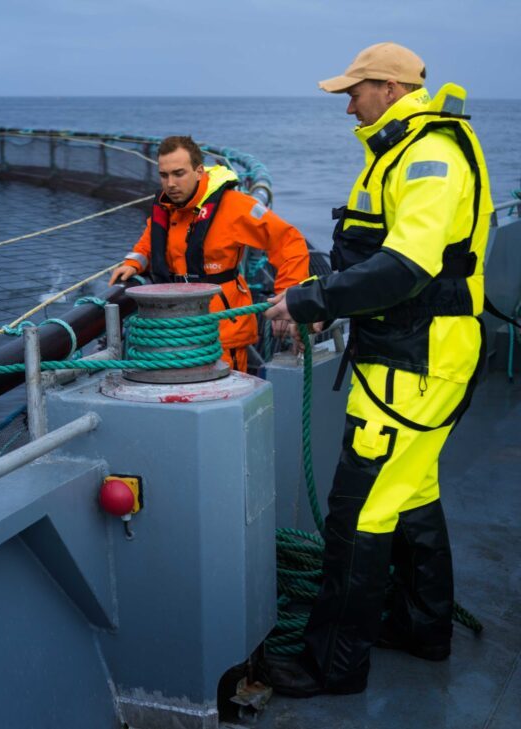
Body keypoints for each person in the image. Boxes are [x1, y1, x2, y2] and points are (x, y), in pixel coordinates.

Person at [264, 42, 494, 697]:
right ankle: (423, 628)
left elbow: (405, 267)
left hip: (417, 364)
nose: (347, 104)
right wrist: (327, 291)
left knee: (358, 510)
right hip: (414, 359)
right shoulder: (398, 149)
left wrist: (312, 300)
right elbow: (370, 249)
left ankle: (332, 664)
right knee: (411, 495)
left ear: (390, 87)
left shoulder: (427, 155)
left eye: (354, 91)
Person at [108, 135, 309, 371]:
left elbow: (289, 241)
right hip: (174, 330)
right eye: (164, 175)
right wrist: (134, 262)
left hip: (223, 332)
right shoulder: (167, 209)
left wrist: (288, 294)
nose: (170, 183)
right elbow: (150, 241)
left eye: (179, 173)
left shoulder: (235, 206)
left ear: (199, 171)